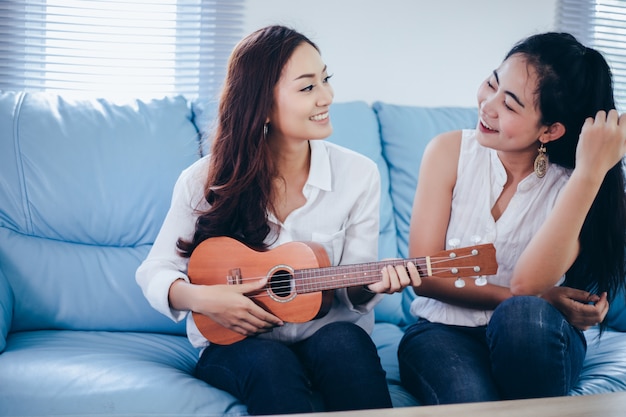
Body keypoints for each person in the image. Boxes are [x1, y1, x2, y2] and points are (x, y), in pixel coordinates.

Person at [136, 25, 415, 415]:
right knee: (271, 364)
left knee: (347, 345)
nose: (327, 96)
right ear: (262, 105)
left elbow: (355, 287)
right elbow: (155, 269)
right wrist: (204, 298)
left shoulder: (359, 175)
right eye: (307, 87)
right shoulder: (204, 179)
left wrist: (373, 286)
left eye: (326, 79)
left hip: (325, 334)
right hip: (237, 343)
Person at [398, 32, 626, 405]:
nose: (487, 105)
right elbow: (424, 274)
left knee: (521, 316)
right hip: (444, 332)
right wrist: (543, 299)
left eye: (510, 105)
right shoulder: (447, 152)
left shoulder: (574, 185)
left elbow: (526, 286)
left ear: (550, 130)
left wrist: (590, 174)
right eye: (492, 82)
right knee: (474, 396)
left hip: (535, 336)